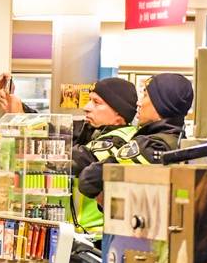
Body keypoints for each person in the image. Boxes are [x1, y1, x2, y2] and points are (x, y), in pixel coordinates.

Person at [0, 73, 139, 239]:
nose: (87, 106)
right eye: (90, 99)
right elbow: (52, 130)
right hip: (74, 235)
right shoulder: (91, 129)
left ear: (118, 115)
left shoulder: (123, 140)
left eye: (96, 103)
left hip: (98, 239)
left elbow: (74, 159)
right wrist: (20, 110)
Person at [76, 72, 194, 208]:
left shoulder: (149, 146)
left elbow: (88, 180)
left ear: (160, 104)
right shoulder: (181, 143)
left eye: (145, 96)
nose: (138, 103)